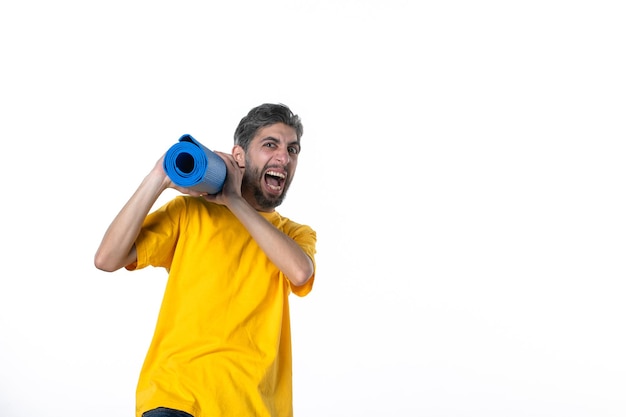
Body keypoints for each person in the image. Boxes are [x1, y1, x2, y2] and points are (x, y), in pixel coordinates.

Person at [94, 103, 317, 417]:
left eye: (292, 149)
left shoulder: (295, 234)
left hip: (253, 407)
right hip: (176, 398)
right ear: (239, 156)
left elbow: (299, 271)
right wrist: (159, 175)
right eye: (270, 145)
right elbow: (107, 257)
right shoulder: (189, 213)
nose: (284, 157)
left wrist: (235, 201)